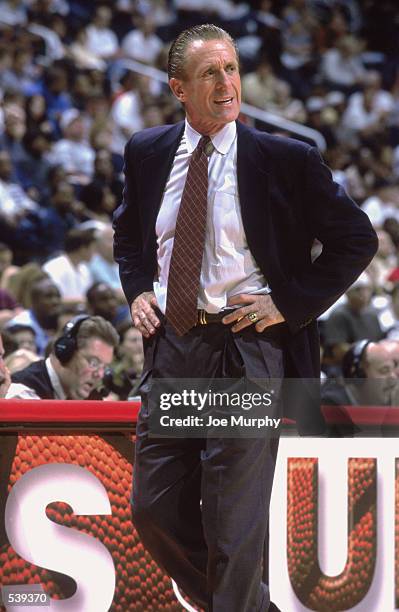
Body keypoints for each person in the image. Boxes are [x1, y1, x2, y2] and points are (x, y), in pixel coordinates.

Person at [113, 24, 378, 612]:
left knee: (234, 530)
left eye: (231, 68)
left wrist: (288, 303)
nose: (227, 82)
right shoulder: (148, 152)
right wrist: (137, 290)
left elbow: (356, 239)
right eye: (211, 73)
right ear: (179, 88)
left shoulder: (286, 159)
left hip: (243, 350)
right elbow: (129, 236)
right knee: (151, 509)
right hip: (175, 347)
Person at [6, 315, 118, 400]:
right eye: (94, 363)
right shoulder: (21, 394)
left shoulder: (90, 398)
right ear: (66, 352)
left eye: (105, 367)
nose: (100, 374)